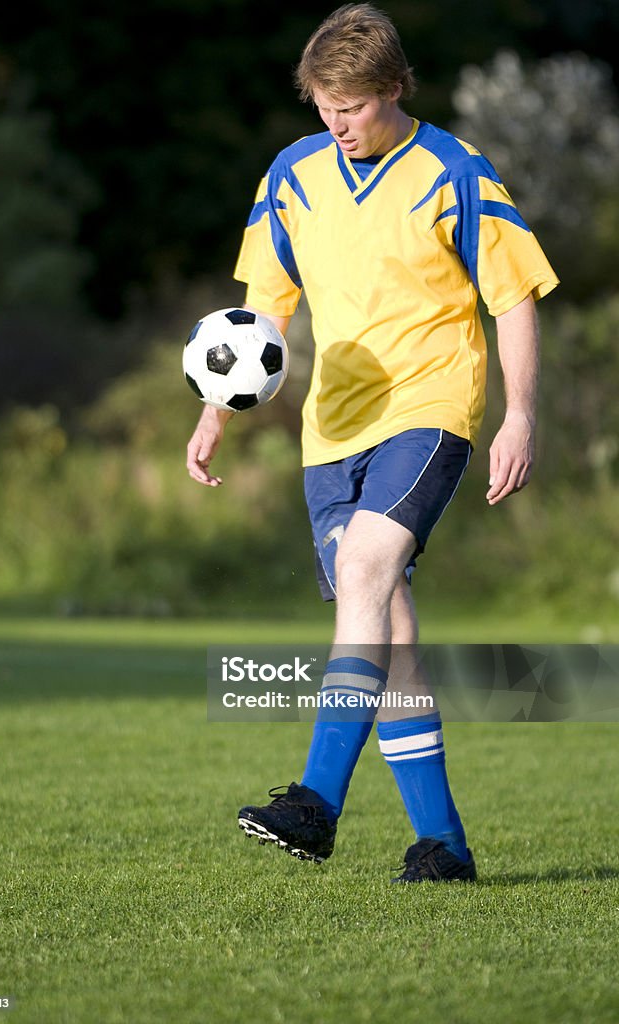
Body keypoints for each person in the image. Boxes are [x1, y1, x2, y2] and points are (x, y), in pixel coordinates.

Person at [186, 3, 558, 882]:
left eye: (351, 106)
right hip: (332, 431)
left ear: (394, 88)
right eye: (322, 105)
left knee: (364, 568)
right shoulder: (293, 172)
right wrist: (215, 410)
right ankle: (444, 845)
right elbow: (263, 311)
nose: (336, 123)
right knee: (388, 627)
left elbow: (513, 297)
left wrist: (521, 413)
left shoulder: (453, 169)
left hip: (429, 410)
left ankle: (315, 800)